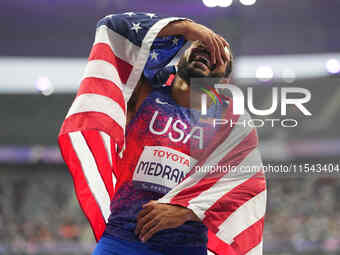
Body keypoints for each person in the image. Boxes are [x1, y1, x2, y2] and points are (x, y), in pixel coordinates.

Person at [59, 12, 266, 255]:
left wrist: (186, 210)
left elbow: (245, 188)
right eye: (202, 47)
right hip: (123, 239)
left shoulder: (229, 124)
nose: (209, 52)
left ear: (224, 79)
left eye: (219, 56)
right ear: (183, 55)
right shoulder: (144, 93)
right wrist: (188, 29)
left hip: (186, 246)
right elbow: (112, 28)